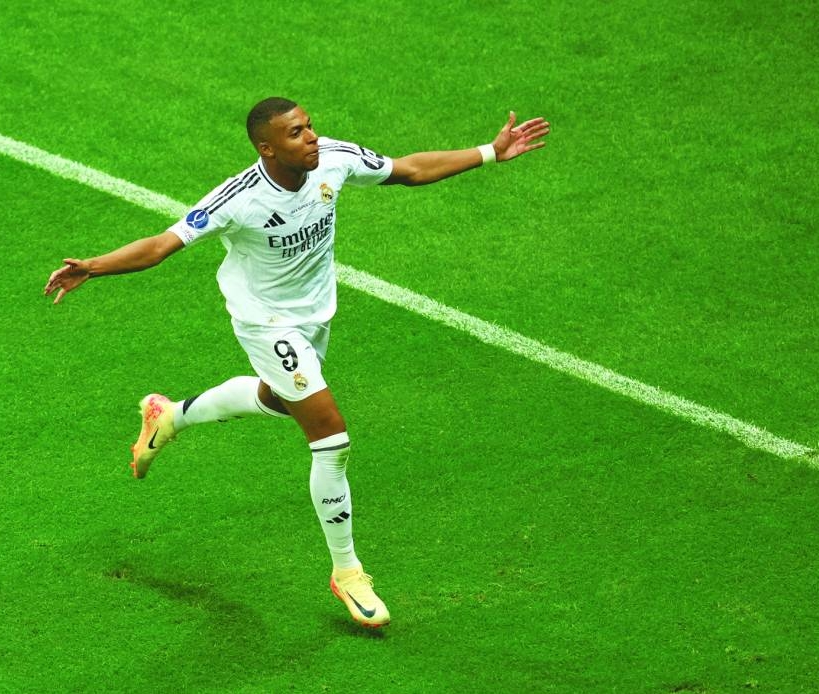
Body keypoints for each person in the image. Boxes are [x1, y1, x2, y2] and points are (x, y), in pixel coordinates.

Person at [44, 97, 549, 628]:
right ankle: (348, 571)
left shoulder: (332, 158)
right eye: (295, 133)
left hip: (314, 316)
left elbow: (410, 170)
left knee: (278, 400)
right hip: (266, 324)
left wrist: (490, 152)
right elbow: (162, 244)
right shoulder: (238, 198)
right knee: (330, 436)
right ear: (267, 148)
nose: (310, 137)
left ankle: (171, 414)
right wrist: (94, 267)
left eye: (309, 127)